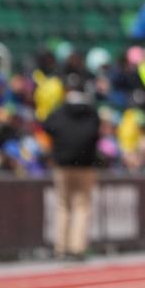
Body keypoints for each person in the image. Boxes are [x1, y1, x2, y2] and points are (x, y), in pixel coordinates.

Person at [43, 75, 101, 261]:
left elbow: (47, 126)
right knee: (81, 207)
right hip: (85, 166)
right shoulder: (91, 112)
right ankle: (77, 248)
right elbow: (96, 134)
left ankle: (61, 248)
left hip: (63, 165)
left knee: (62, 207)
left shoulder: (60, 111)